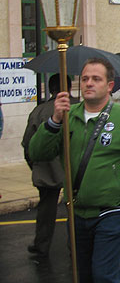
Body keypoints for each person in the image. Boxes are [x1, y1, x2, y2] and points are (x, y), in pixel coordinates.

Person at [28, 58, 120, 282]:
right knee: (82, 273)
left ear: (109, 86)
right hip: (78, 209)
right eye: (84, 79)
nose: (89, 84)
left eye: (96, 79)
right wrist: (54, 121)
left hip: (114, 210)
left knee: (104, 275)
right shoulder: (67, 117)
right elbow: (37, 152)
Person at [22, 74, 77, 259]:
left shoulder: (39, 111)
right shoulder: (81, 107)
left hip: (47, 169)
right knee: (76, 209)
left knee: (46, 210)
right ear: (69, 88)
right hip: (74, 168)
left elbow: (28, 144)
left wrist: (35, 166)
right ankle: (75, 246)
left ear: (51, 88)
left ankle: (41, 244)